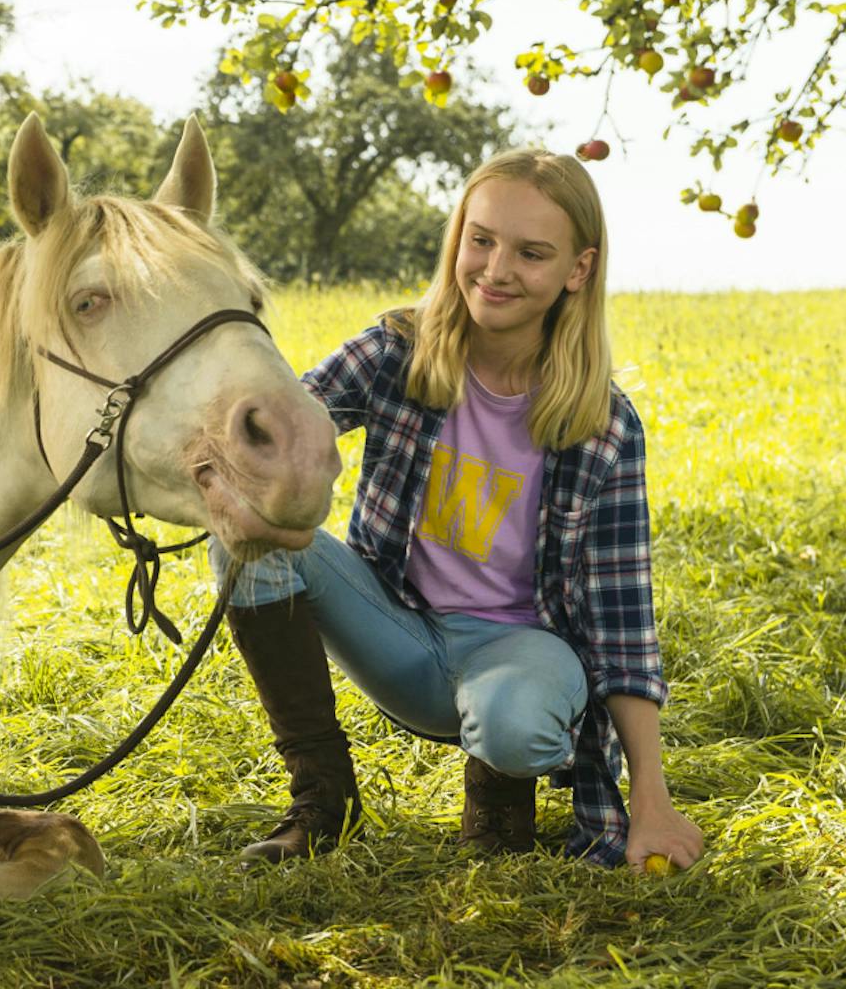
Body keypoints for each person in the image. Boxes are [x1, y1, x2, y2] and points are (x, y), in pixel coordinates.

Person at [213, 148, 704, 871]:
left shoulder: (604, 425)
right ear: (458, 239)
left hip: (520, 654)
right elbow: (279, 433)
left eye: (531, 253)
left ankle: (499, 802)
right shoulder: (395, 352)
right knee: (245, 537)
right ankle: (323, 799)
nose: (497, 269)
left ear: (578, 270)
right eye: (482, 240)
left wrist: (652, 800)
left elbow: (624, 622)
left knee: (516, 724)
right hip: (396, 628)